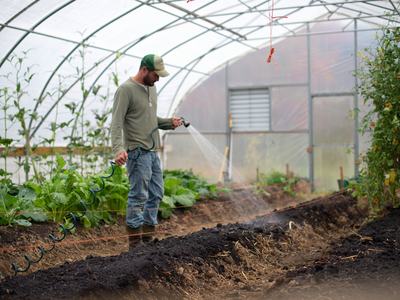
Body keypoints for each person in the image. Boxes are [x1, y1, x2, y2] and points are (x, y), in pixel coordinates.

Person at [111, 54, 183, 249]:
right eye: (155, 74)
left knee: (157, 193)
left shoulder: (152, 89)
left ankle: (148, 239)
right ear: (144, 70)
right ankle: (135, 244)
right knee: (139, 195)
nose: (158, 78)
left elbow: (151, 119)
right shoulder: (126, 90)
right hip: (137, 152)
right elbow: (116, 123)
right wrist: (118, 149)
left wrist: (169, 123)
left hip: (152, 152)